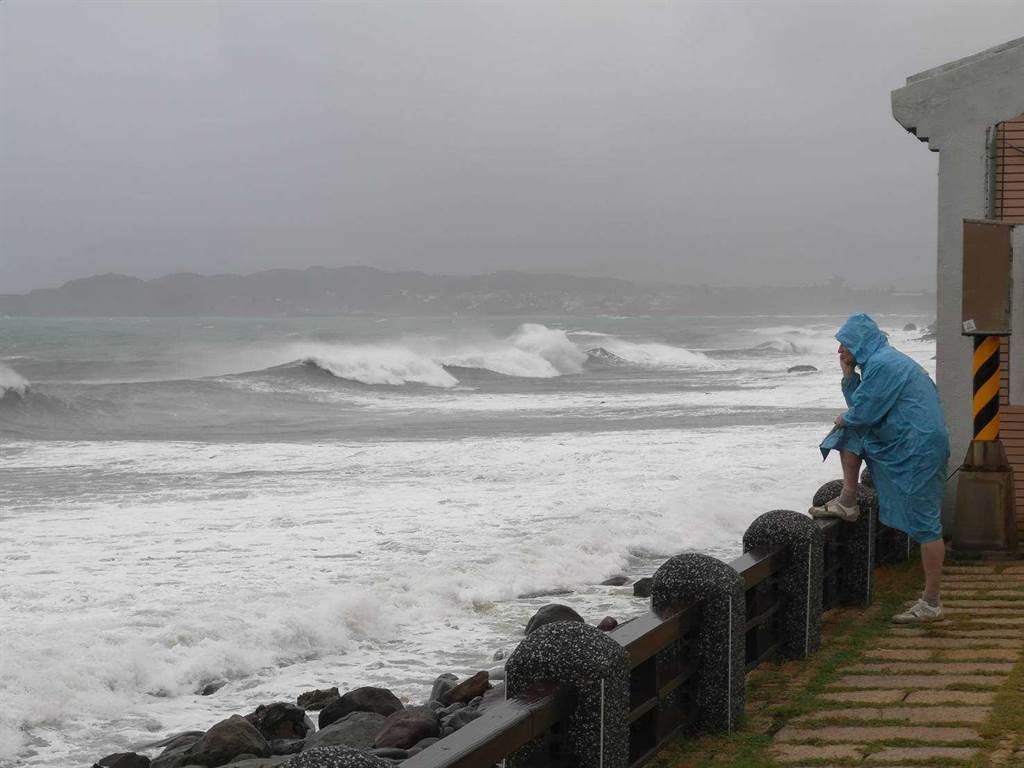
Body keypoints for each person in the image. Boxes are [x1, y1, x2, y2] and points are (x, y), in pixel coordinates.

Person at [809, 313, 950, 624]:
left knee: (927, 524)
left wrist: (844, 416)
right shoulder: (881, 362)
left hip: (917, 446)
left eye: (844, 344)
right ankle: (847, 500)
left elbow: (862, 413)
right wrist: (849, 377)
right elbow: (865, 407)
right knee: (849, 433)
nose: (839, 351)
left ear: (859, 342)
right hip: (911, 440)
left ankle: (932, 602)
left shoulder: (884, 365)